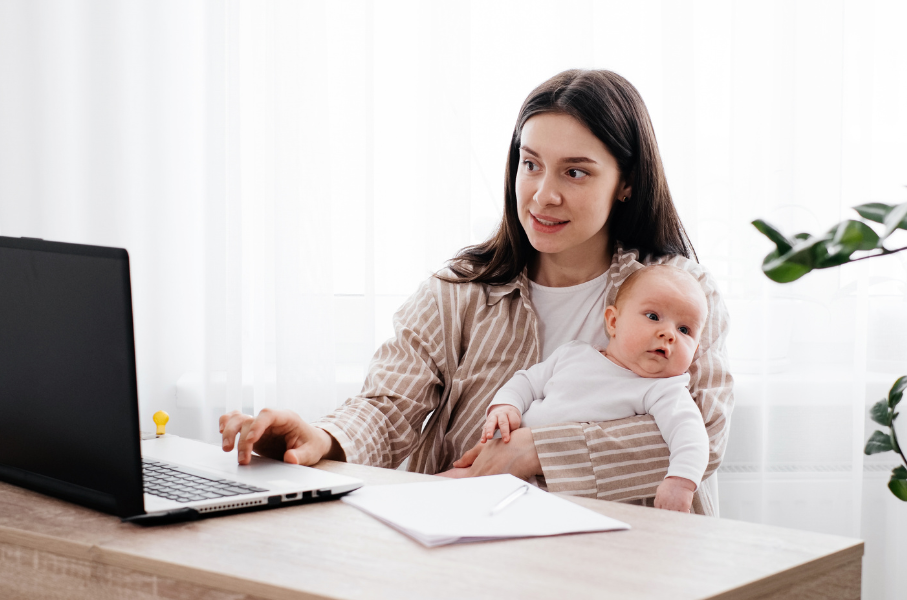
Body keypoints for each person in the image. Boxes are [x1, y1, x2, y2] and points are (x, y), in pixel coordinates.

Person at [219, 69, 735, 515]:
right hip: (475, 547)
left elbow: (704, 434)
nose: (543, 194)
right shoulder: (458, 291)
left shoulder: (684, 295)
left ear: (626, 182)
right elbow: (387, 407)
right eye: (530, 164)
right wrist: (321, 438)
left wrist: (535, 451)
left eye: (575, 172)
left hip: (631, 555)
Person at [480, 265, 710, 513]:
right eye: (653, 316)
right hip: (499, 464)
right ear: (613, 322)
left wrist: (680, 482)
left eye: (684, 330)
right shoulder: (573, 353)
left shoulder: (663, 389)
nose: (668, 334)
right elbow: (526, 381)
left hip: (562, 494)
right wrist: (506, 405)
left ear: (695, 350)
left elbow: (690, 434)